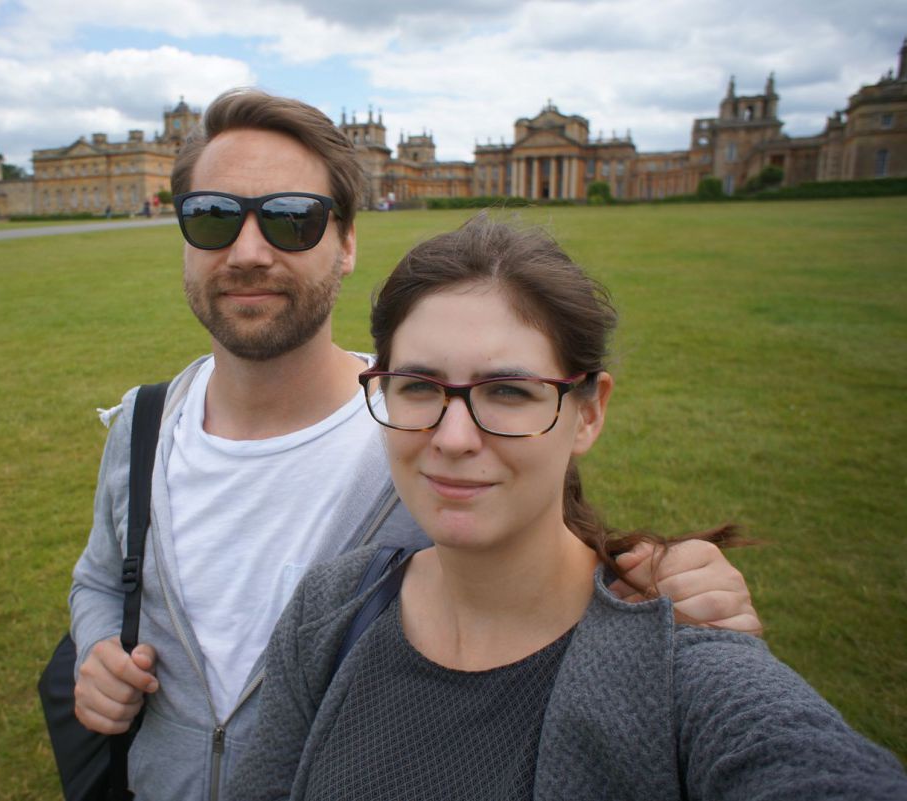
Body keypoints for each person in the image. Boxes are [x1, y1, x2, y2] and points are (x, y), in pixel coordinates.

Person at [63, 89, 762, 800]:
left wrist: (676, 585)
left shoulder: (428, 438)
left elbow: (560, 566)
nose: (248, 252)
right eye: (212, 216)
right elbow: (98, 577)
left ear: (347, 240)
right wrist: (97, 645)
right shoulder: (143, 423)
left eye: (291, 219)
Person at [229, 216, 907, 800]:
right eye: (418, 386)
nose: (454, 438)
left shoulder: (683, 663)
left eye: (508, 391)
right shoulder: (329, 609)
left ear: (589, 412)